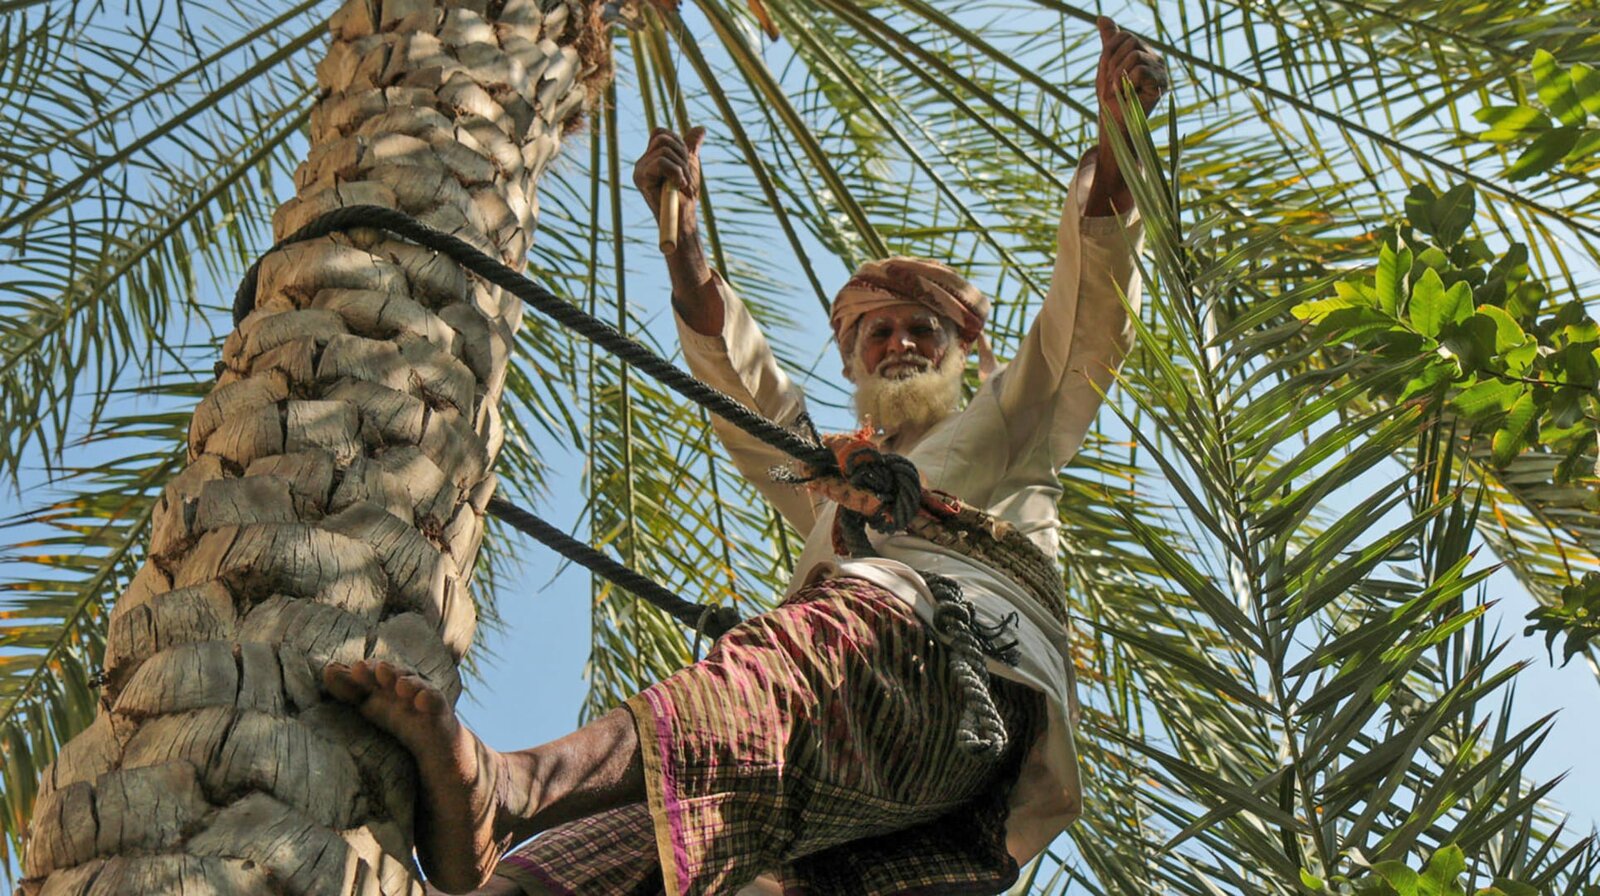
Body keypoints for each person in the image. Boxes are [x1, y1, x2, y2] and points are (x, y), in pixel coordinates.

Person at [322, 16, 1166, 896]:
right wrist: (682, 243)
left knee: (812, 643)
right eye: (879, 333)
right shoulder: (838, 482)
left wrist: (1117, 148)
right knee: (638, 839)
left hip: (958, 688)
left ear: (962, 353)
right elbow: (753, 403)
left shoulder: (1013, 422)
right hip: (843, 776)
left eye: (925, 330)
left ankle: (519, 788)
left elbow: (1085, 317)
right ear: (851, 359)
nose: (902, 344)